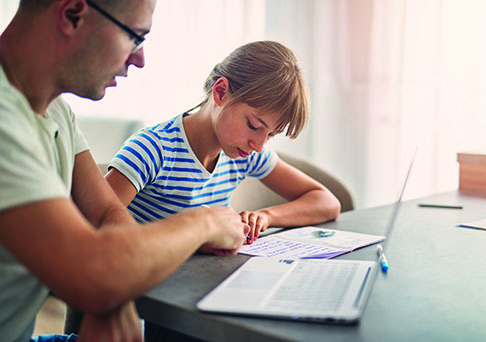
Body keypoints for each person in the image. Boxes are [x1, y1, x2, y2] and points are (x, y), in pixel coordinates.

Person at [0, 1, 249, 342]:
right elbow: (94, 270)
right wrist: (206, 221)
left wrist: (114, 294)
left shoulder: (57, 111)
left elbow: (106, 211)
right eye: (135, 37)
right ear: (73, 14)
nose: (139, 59)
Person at [104, 40, 342, 341]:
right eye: (255, 125)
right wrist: (193, 238)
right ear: (220, 92)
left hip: (206, 294)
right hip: (153, 307)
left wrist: (266, 216)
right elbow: (93, 227)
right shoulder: (153, 149)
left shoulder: (244, 153)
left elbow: (325, 201)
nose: (260, 144)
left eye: (271, 135)